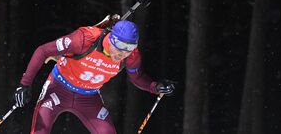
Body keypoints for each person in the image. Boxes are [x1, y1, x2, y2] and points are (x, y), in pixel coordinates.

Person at [14, 20, 175, 134]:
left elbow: (137, 78)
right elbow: (43, 51)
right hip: (58, 88)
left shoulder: (131, 56)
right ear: (111, 38)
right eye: (120, 46)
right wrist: (25, 84)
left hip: (89, 98)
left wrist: (155, 87)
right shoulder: (84, 39)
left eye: (130, 47)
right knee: (40, 130)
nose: (122, 53)